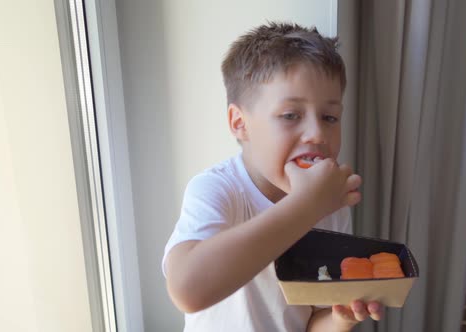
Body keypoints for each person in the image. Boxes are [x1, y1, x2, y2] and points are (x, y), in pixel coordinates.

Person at [162, 22, 383, 332]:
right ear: (239, 123)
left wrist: (339, 318)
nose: (318, 134)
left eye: (330, 117)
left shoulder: (330, 205)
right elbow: (188, 289)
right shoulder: (218, 189)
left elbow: (311, 321)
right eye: (291, 115)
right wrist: (307, 207)